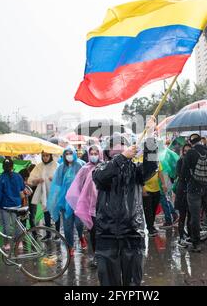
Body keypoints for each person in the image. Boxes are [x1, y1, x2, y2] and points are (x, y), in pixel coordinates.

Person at [92, 118, 158, 286]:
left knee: (133, 283)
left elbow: (151, 166)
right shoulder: (101, 168)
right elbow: (101, 178)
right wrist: (121, 158)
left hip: (132, 233)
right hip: (106, 234)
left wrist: (150, 136)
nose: (120, 148)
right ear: (107, 151)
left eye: (123, 145)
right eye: (115, 147)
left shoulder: (136, 172)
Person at [182, 134, 207, 253]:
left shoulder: (190, 153)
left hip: (194, 189)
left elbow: (183, 173)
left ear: (191, 142)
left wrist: (190, 178)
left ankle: (196, 244)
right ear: (201, 141)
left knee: (195, 216)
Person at [66, 145, 102, 267]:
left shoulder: (105, 167)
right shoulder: (85, 169)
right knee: (93, 231)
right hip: (90, 206)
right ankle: (97, 255)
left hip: (104, 205)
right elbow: (78, 185)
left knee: (105, 232)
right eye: (91, 153)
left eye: (96, 153)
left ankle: (105, 256)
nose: (94, 155)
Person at [47, 147, 86, 256]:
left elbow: (85, 182)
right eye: (66, 153)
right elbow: (57, 185)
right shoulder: (61, 168)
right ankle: (70, 246)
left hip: (78, 201)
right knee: (68, 227)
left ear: (74, 154)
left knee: (79, 223)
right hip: (65, 202)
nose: (68, 155)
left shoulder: (80, 165)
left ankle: (81, 235)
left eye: (70, 153)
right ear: (64, 155)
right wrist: (55, 200)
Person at [0, 159, 26, 251]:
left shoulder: (0, 178)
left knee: (6, 226)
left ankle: (7, 244)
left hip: (5, 206)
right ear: (12, 166)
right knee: (17, 225)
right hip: (17, 205)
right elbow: (22, 188)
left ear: (3, 167)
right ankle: (19, 243)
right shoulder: (18, 176)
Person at [28, 152, 58, 239]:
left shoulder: (56, 165)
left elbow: (61, 179)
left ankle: (57, 234)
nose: (45, 158)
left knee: (56, 213)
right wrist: (37, 180)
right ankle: (48, 234)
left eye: (47, 155)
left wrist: (54, 179)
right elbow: (31, 180)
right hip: (44, 193)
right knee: (46, 213)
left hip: (54, 193)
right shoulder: (39, 166)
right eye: (43, 156)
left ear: (51, 156)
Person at [175, 143, 192, 248]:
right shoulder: (180, 161)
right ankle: (181, 238)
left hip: (192, 192)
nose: (186, 153)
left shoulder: (194, 161)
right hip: (182, 192)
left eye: (189, 151)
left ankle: (190, 236)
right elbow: (180, 175)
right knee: (182, 216)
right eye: (185, 151)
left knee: (191, 217)